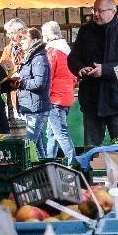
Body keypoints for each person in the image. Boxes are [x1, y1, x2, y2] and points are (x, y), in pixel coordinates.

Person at [68, 0, 118, 146]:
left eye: (100, 11)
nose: (95, 14)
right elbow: (73, 57)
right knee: (91, 150)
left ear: (112, 12)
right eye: (94, 10)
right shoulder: (85, 31)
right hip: (91, 101)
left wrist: (105, 70)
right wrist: (79, 68)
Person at [41, 21, 77, 158]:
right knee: (52, 134)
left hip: (54, 98)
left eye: (44, 35)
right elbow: (74, 77)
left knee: (60, 133)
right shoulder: (68, 51)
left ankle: (72, 162)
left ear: (48, 36)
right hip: (66, 97)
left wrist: (44, 96)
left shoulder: (52, 51)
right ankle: (50, 162)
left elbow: (47, 77)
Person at [15, 27, 52, 158]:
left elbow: (39, 83)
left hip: (36, 108)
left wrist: (21, 82)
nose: (21, 41)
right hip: (32, 107)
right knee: (37, 146)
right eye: (21, 38)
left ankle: (36, 173)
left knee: (29, 146)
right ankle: (46, 173)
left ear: (34, 40)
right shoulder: (31, 57)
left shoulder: (39, 58)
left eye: (25, 38)